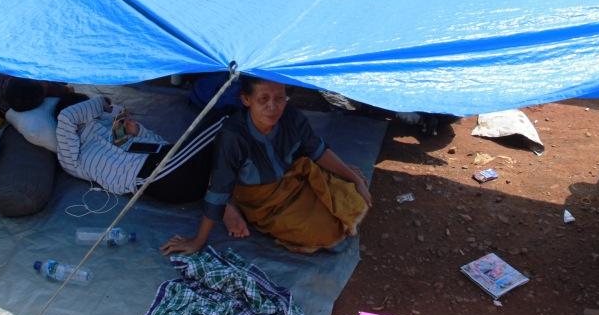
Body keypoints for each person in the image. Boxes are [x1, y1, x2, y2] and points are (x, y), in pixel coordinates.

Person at [161, 77, 371, 256]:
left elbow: (317, 150)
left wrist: (356, 180)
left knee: (353, 197)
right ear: (246, 100)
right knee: (327, 232)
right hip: (261, 200)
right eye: (263, 99)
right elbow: (218, 190)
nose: (273, 107)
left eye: (279, 98)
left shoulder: (291, 116)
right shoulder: (233, 136)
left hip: (293, 178)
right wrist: (198, 241)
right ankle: (231, 206)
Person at [54, 92, 221, 203]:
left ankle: (226, 199)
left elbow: (160, 144)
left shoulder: (112, 130)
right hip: (158, 177)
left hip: (172, 161)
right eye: (90, 111)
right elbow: (67, 116)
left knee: (220, 134)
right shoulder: (73, 157)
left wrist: (139, 132)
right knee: (221, 119)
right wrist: (102, 103)